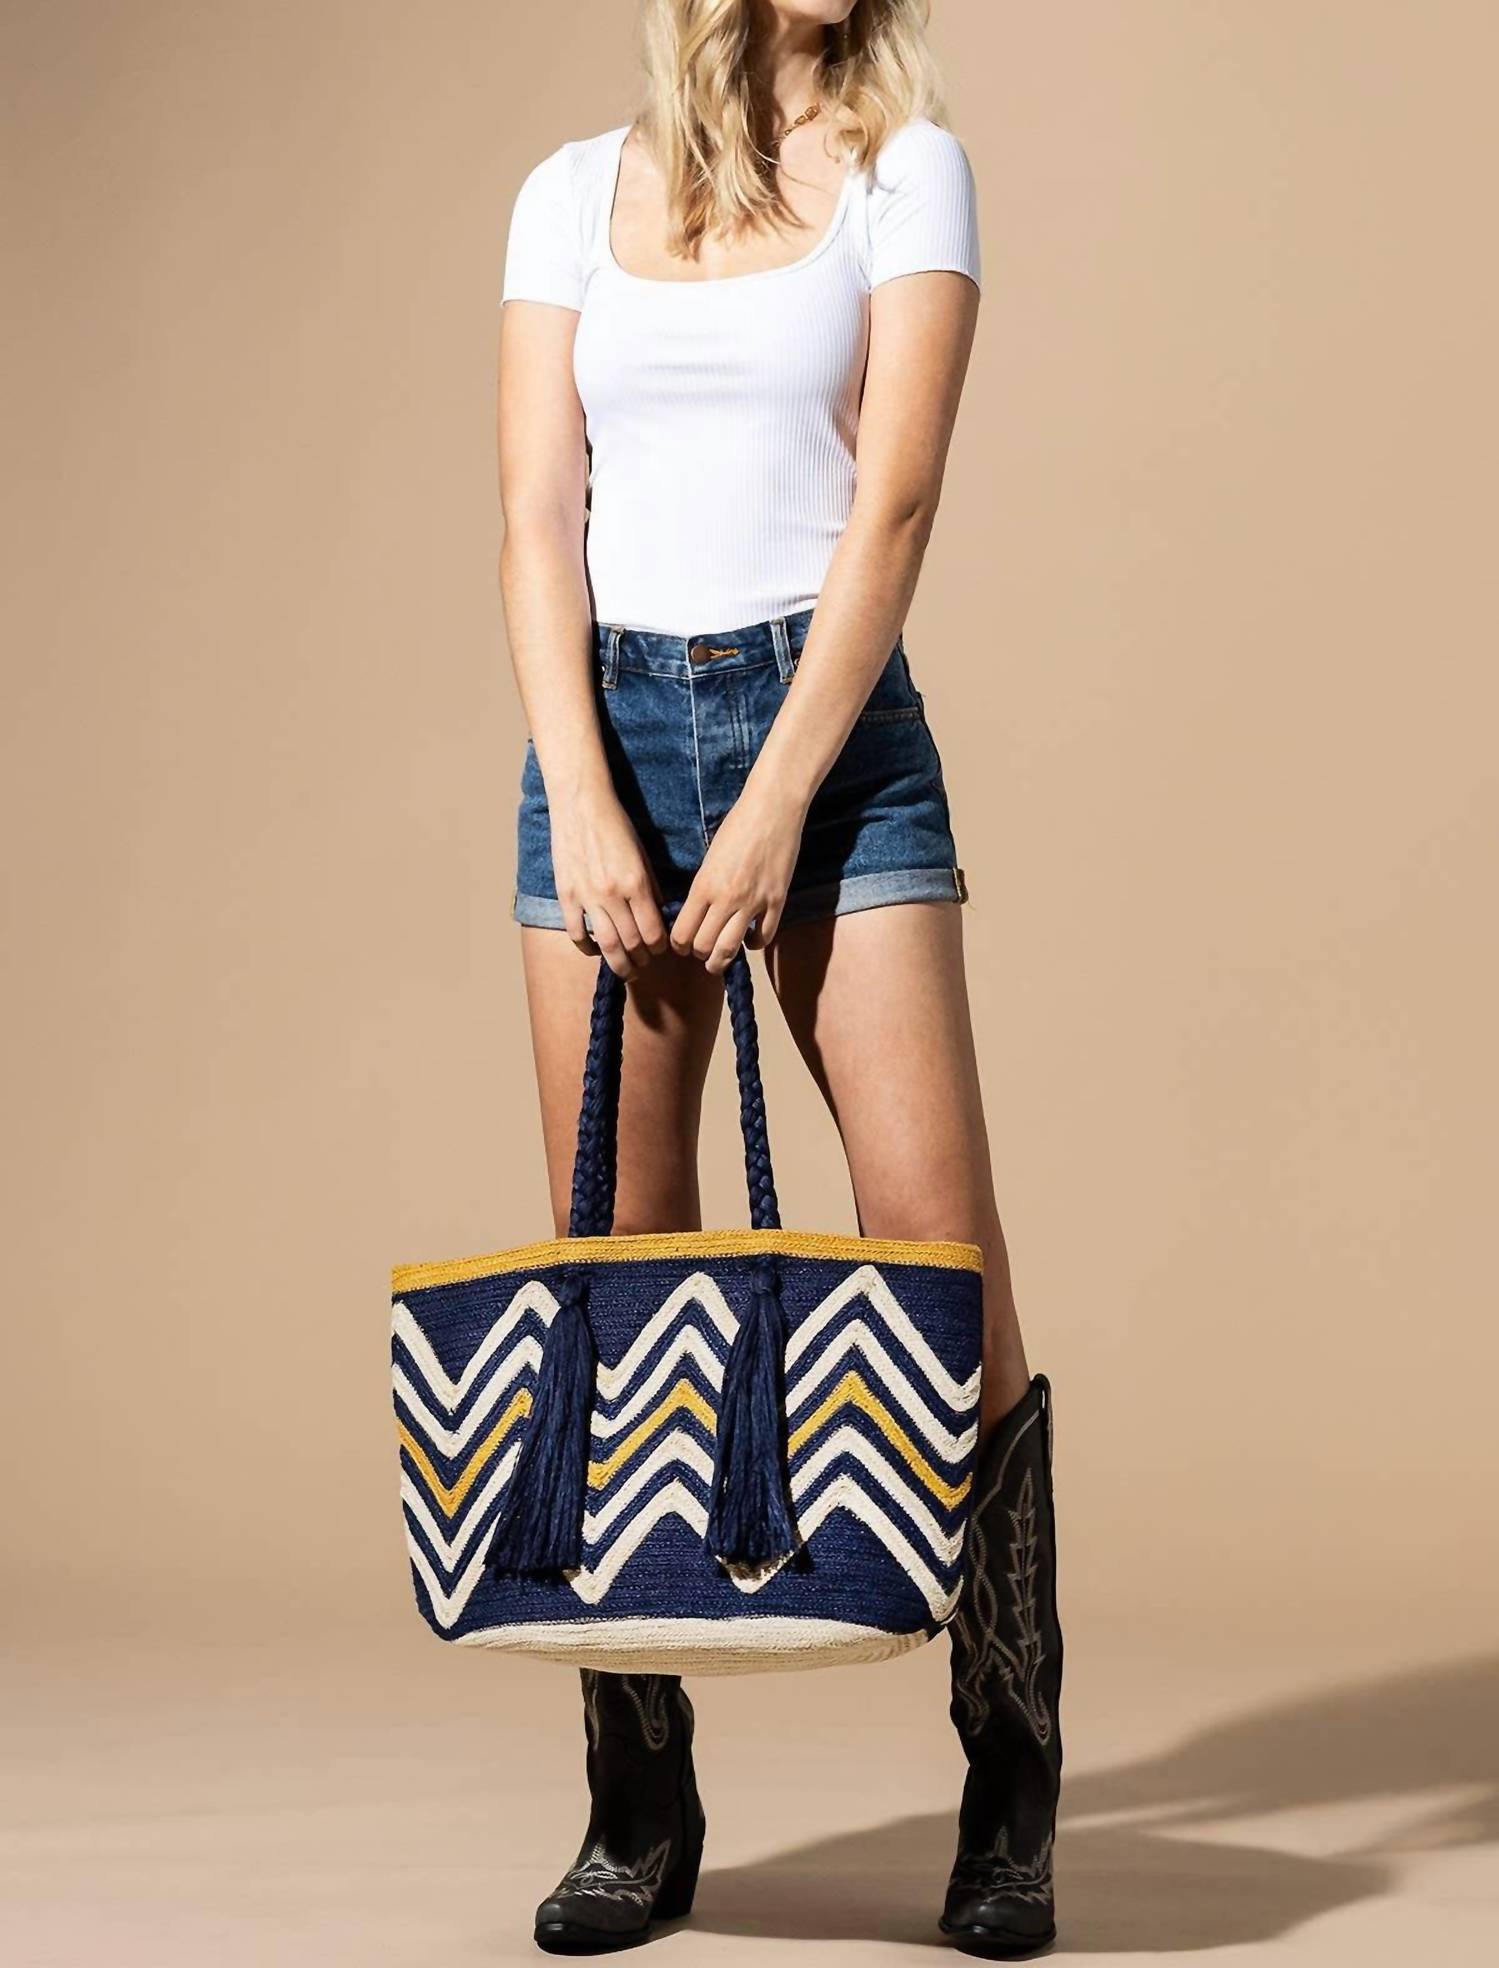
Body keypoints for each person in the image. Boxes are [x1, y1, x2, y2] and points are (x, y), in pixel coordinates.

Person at [497, 1, 1062, 1954]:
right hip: (608, 747)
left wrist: (773, 806)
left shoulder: (913, 174)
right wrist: (586, 791)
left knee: (938, 1264)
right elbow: (535, 515)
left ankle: (1010, 1782)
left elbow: (893, 510)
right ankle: (636, 1808)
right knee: (623, 1270)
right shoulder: (569, 195)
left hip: (832, 737)